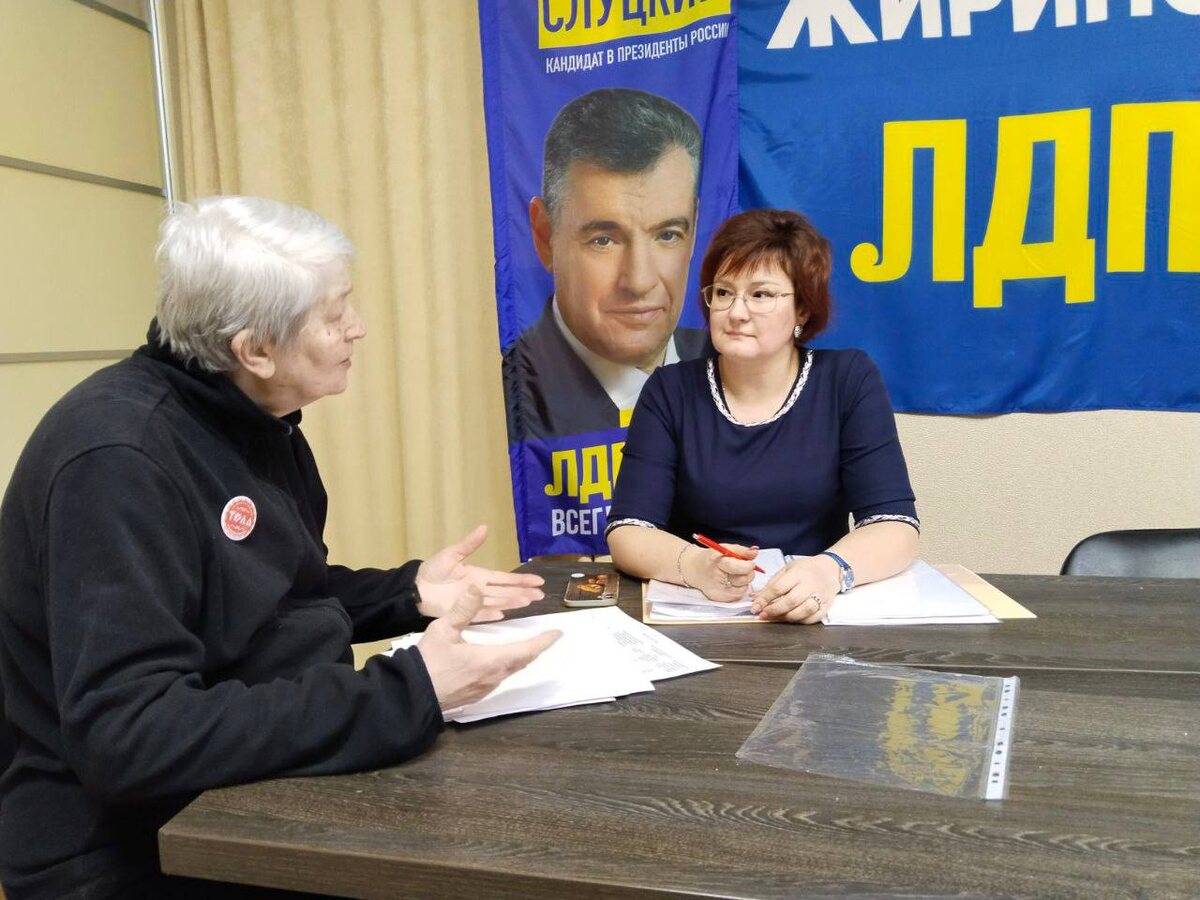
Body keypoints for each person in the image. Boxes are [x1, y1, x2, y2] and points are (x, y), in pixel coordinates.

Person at [0, 196, 560, 899]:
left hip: (237, 800)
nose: (357, 328)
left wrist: (409, 591)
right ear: (255, 351)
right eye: (333, 314)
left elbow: (271, 597)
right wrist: (410, 691)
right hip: (128, 853)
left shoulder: (253, 416)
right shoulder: (118, 462)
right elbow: (129, 735)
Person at [606, 209, 920, 623]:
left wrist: (828, 571)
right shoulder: (670, 390)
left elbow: (895, 524)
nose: (736, 312)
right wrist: (695, 565)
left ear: (803, 309)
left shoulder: (848, 380)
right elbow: (628, 530)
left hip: (813, 611)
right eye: (723, 292)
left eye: (761, 295)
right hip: (703, 613)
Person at [503, 87, 711, 442]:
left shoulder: (738, 370)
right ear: (545, 236)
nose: (640, 281)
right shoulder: (498, 403)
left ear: (693, 230)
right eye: (604, 240)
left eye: (667, 235)